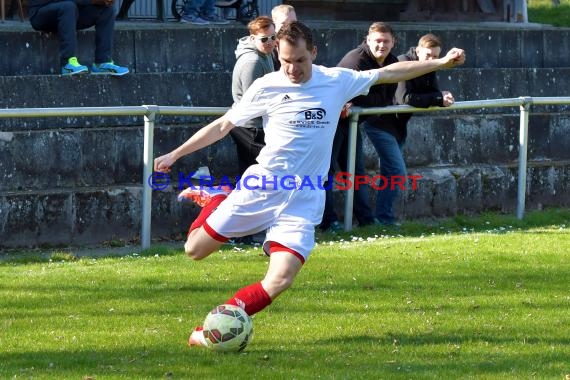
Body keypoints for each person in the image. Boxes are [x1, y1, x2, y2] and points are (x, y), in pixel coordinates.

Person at [153, 21, 464, 347]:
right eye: (285, 61)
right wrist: (175, 153)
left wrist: (440, 63)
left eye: (299, 61)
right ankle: (217, 199)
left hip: (305, 197)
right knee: (194, 250)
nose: (292, 69)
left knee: (281, 278)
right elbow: (223, 125)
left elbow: (392, 72)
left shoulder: (336, 81)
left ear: (313, 53)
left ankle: (215, 331)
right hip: (264, 186)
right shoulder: (266, 86)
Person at [321, 22, 398, 231]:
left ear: (393, 42)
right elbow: (344, 96)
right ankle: (328, 222)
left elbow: (385, 99)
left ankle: (366, 220)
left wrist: (363, 101)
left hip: (351, 122)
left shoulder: (392, 62)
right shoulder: (356, 60)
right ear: (368, 40)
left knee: (356, 172)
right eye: (377, 41)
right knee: (325, 172)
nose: (381, 45)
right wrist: (364, 101)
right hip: (330, 121)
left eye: (386, 41)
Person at [28, 0, 129, 76]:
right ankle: (68, 63)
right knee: (68, 6)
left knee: (107, 10)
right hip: (41, 12)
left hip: (70, 14)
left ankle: (102, 62)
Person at [230, 16, 276, 176]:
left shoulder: (265, 53)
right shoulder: (253, 62)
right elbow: (252, 103)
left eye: (273, 37)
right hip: (250, 128)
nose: (270, 42)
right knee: (255, 176)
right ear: (252, 38)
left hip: (254, 125)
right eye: (264, 39)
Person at [270, 4, 297, 70]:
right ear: (274, 24)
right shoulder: (268, 46)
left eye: (293, 22)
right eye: (284, 23)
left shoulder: (301, 43)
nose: (290, 27)